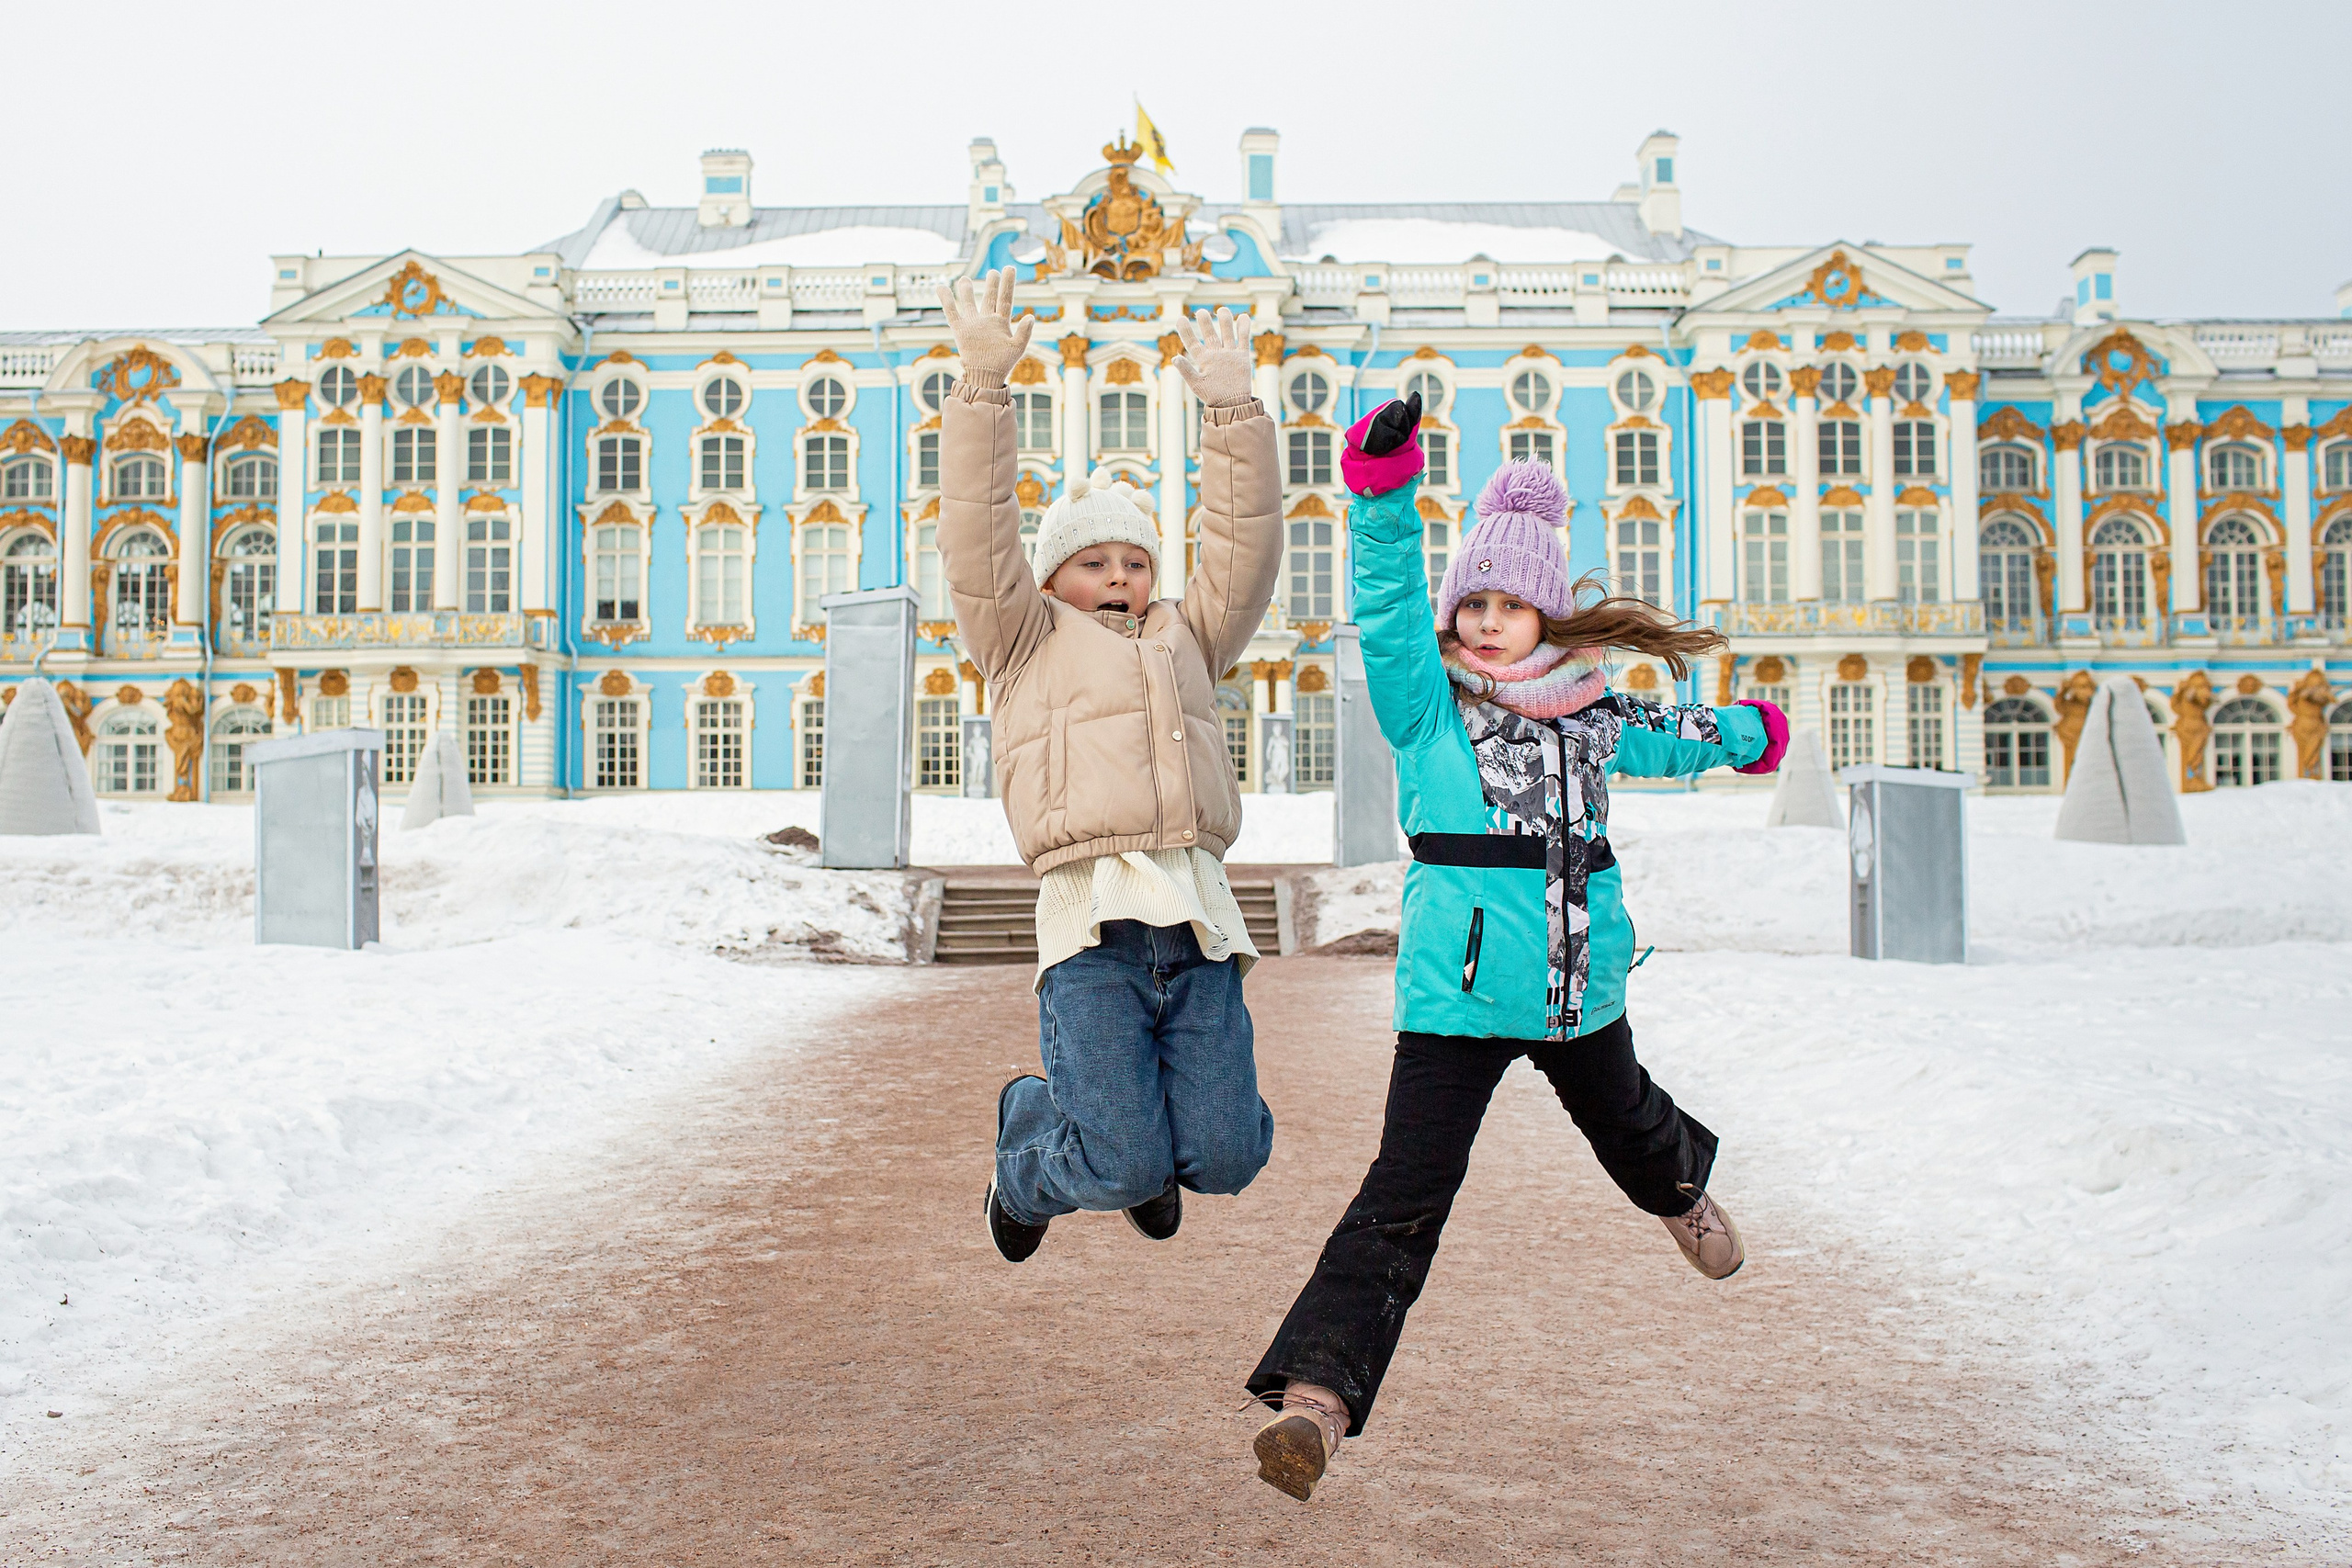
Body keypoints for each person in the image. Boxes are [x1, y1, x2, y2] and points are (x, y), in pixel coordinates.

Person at [1244, 395, 1790, 1502]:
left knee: (1630, 1124)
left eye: (1512, 605)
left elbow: (1675, 735)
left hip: (1579, 991)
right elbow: (1389, 606)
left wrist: (1745, 735)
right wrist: (1385, 496)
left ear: (1551, 618)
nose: (1488, 622)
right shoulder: (1426, 711)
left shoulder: (1591, 712)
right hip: (1453, 999)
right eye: (1474, 603)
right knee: (1403, 1194)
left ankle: (1680, 1190)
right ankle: (1318, 1402)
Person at [934, 269, 1283, 1264]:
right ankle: (1027, 1151)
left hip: (1199, 921)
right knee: (1119, 1164)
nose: (1120, 576)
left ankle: (1145, 1155)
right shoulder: (1019, 640)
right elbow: (976, 530)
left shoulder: (1190, 637)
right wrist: (984, 385)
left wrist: (1231, 411)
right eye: (1094, 562)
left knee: (1228, 1155)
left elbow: (1245, 548)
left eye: (1134, 561)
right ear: (1046, 581)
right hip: (1091, 929)